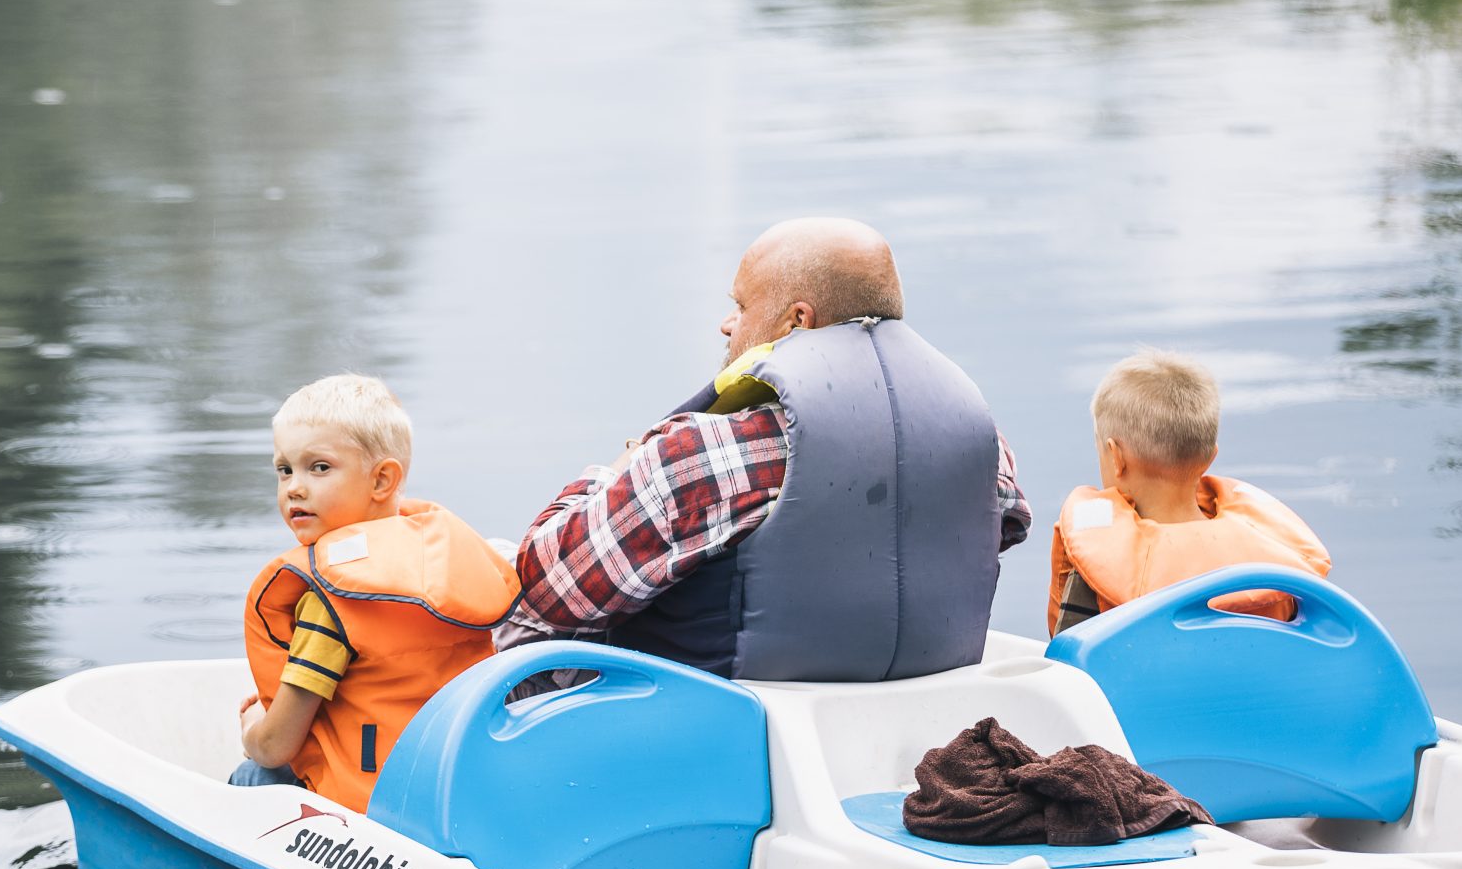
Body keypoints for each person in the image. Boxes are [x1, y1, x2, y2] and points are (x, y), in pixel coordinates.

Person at [499, 218, 1031, 681]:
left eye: (740, 305)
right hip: (923, 704)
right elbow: (1004, 528)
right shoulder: (981, 443)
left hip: (722, 719)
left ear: (798, 321)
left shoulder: (699, 455)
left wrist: (619, 468)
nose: (727, 323)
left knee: (498, 594)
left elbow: (549, 588)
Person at [236, 374, 519, 809]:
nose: (294, 487)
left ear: (382, 480)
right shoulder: (439, 571)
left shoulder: (332, 601)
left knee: (254, 773)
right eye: (284, 469)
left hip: (366, 809)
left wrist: (252, 727)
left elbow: (276, 746)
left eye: (319, 467)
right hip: (449, 793)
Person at [1047, 350, 1329, 635]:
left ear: (1116, 457)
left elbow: (1066, 655)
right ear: (1210, 457)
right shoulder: (1277, 575)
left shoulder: (1099, 567)